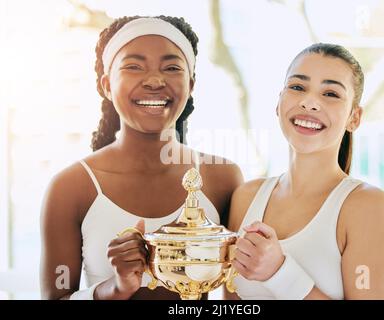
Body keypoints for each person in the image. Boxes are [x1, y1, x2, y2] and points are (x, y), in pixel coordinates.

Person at [40, 15, 243, 300]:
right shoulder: (71, 188)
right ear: (107, 85)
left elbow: (237, 298)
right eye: (134, 66)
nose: (155, 80)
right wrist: (116, 287)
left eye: (172, 67)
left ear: (191, 84)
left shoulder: (222, 178)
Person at [225, 43, 384, 300]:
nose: (309, 102)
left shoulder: (366, 207)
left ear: (354, 117)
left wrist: (280, 273)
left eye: (330, 93)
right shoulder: (245, 198)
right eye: (297, 87)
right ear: (278, 103)